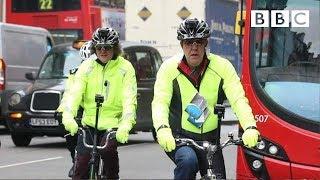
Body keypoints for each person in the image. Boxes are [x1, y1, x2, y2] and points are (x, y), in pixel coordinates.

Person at [152, 18, 260, 179]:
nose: (194, 48)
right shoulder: (169, 68)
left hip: (210, 140)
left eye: (199, 42)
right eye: (189, 43)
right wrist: (162, 129)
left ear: (205, 44)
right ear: (182, 45)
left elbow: (238, 100)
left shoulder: (222, 66)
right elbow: (160, 102)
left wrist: (250, 127)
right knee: (188, 162)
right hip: (179, 137)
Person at [62, 27, 137, 179]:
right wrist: (68, 116)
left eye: (108, 47)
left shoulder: (125, 68)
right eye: (99, 47)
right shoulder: (87, 66)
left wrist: (125, 125)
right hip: (89, 123)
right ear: (94, 48)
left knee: (108, 153)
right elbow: (74, 93)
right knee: (81, 166)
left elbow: (130, 99)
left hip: (114, 124)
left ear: (115, 48)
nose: (103, 51)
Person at [55, 40, 94, 177]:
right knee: (70, 130)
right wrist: (62, 110)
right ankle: (75, 160)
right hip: (81, 108)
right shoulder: (75, 73)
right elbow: (69, 94)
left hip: (100, 110)